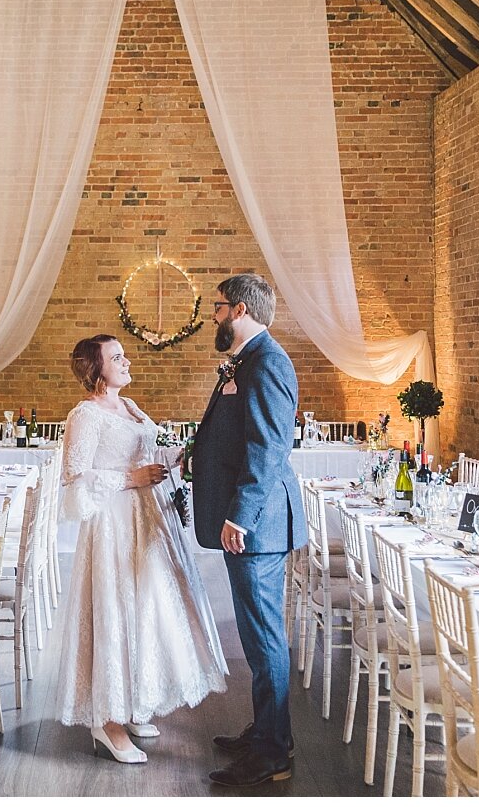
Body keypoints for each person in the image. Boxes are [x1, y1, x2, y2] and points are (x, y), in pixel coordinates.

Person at [54, 334, 228, 765]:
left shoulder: (129, 407)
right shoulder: (86, 414)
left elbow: (152, 452)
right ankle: (107, 722)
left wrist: (185, 456)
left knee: (146, 610)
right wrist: (129, 479)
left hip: (147, 519)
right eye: (117, 357)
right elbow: (73, 477)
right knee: (115, 612)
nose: (126, 361)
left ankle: (130, 706)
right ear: (96, 370)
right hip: (113, 524)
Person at [189, 272, 305, 788]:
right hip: (249, 521)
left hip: (256, 525)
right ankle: (266, 730)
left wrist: (241, 515)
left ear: (238, 308)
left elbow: (268, 448)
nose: (212, 316)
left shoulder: (269, 362)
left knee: (264, 639)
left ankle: (273, 753)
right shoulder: (248, 359)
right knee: (258, 637)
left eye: (216, 307)